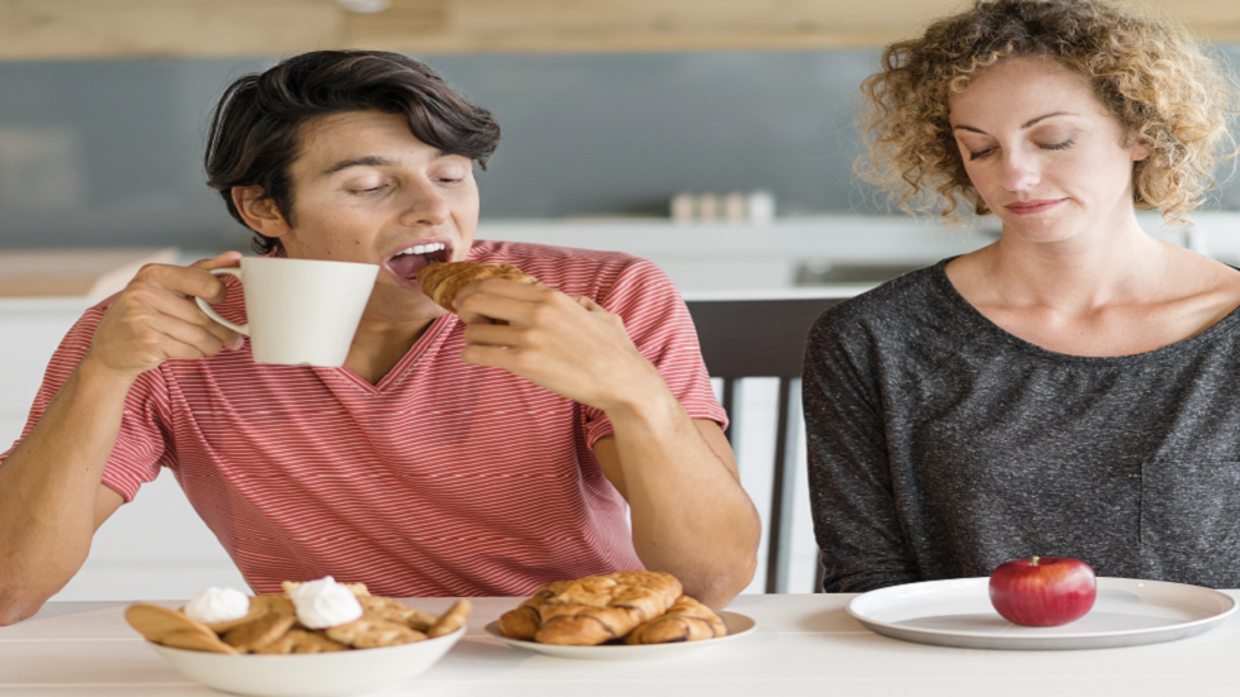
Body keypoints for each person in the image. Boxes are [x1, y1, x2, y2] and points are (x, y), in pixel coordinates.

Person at [0, 50, 761, 624]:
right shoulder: (164, 331)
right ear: (264, 209)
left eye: (452, 175)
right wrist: (103, 374)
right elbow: (9, 587)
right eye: (370, 186)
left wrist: (632, 393)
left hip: (562, 646)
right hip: (332, 661)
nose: (432, 210)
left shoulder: (601, 297)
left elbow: (712, 578)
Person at [804, 0, 1240, 592]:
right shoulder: (871, 338)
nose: (1014, 176)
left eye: (1054, 140)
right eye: (980, 149)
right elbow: (868, 580)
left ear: (1141, 131)